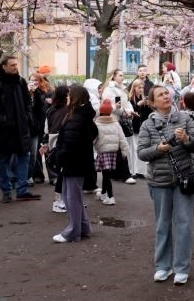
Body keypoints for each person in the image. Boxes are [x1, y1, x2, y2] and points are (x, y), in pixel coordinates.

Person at [137, 85, 194, 284]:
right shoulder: (147, 125)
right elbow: (141, 153)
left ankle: (181, 267)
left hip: (184, 178)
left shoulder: (185, 118)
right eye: (160, 95)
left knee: (184, 224)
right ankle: (163, 266)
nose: (166, 96)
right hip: (159, 180)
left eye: (167, 93)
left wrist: (186, 139)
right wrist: (158, 149)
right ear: (152, 102)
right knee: (162, 224)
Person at [0, 56, 41, 203]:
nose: (16, 67)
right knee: (3, 160)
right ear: (4, 66)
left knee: (24, 157)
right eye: (12, 65)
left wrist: (27, 117)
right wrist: (3, 120)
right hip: (4, 130)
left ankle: (22, 190)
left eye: (16, 64)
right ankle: (6, 190)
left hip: (21, 129)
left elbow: (28, 101)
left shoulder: (20, 81)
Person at [53, 86, 98, 243]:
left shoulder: (76, 117)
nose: (67, 98)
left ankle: (73, 232)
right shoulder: (82, 115)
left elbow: (70, 143)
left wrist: (60, 158)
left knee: (71, 197)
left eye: (69, 95)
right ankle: (83, 227)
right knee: (72, 196)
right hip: (78, 161)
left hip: (73, 162)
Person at [102, 69, 136, 185]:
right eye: (120, 75)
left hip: (118, 120)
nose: (122, 77)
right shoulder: (110, 90)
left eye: (123, 75)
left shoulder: (121, 89)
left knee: (117, 147)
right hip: (112, 121)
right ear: (114, 77)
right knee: (120, 146)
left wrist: (130, 111)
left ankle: (115, 173)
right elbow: (115, 106)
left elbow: (126, 103)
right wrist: (127, 112)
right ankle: (125, 174)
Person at [94, 99, 130, 205]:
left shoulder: (96, 124)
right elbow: (122, 139)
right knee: (106, 174)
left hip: (103, 152)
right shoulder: (116, 123)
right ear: (110, 112)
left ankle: (110, 197)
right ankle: (104, 193)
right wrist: (124, 152)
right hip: (113, 152)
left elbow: (94, 139)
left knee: (106, 175)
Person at [40, 85, 69, 212]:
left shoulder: (50, 110)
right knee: (64, 173)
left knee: (63, 173)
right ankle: (58, 201)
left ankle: (65, 200)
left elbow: (46, 128)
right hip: (62, 142)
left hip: (53, 142)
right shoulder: (68, 110)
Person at [28, 72, 52, 185]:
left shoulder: (46, 91)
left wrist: (36, 92)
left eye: (35, 80)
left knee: (47, 150)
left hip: (46, 124)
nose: (33, 82)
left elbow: (42, 107)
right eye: (31, 80)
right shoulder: (27, 92)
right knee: (36, 152)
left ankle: (53, 176)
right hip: (34, 126)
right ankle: (37, 175)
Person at [128, 78, 152, 179]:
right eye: (139, 87)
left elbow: (147, 114)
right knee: (133, 149)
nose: (141, 89)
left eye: (142, 87)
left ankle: (140, 171)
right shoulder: (130, 99)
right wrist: (138, 105)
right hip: (133, 127)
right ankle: (133, 171)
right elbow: (132, 112)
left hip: (142, 127)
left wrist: (148, 105)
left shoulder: (143, 98)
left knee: (141, 148)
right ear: (134, 88)